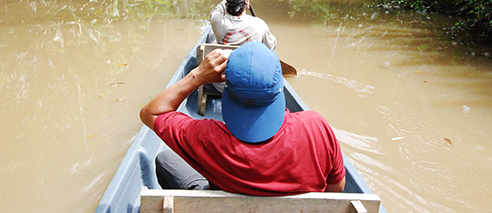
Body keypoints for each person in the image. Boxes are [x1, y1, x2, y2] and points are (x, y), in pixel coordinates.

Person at [139, 41, 346, 195]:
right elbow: (336, 188)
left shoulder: (206, 138)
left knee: (165, 159)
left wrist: (197, 76)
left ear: (227, 90)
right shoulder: (317, 128)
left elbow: (151, 113)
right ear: (279, 89)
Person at [209, 0, 277, 49]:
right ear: (246, 1)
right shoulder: (259, 24)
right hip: (249, 59)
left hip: (226, 59)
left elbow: (217, 9)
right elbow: (271, 45)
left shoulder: (217, 21)